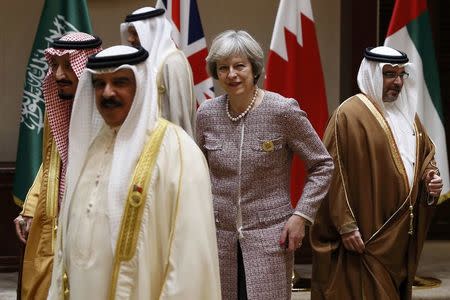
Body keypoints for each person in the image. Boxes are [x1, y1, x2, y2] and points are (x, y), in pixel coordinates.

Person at [47, 45, 221, 299]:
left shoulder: (177, 152)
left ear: (141, 86)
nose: (108, 93)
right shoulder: (91, 149)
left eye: (120, 82)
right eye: (99, 84)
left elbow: (190, 260)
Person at [196, 30, 334, 300]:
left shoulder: (282, 110)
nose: (232, 74)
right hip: (218, 238)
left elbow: (322, 165)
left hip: (270, 237)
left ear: (254, 68)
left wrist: (301, 216)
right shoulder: (207, 114)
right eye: (223, 68)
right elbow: (196, 173)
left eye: (239, 66)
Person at [310, 46, 443, 300]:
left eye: (402, 75)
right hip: (365, 235)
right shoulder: (348, 115)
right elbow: (331, 174)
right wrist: (346, 225)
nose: (397, 81)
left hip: (400, 234)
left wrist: (431, 178)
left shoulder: (409, 117)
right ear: (371, 74)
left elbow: (425, 156)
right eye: (389, 74)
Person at [13, 32, 102, 299]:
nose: (60, 75)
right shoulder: (58, 107)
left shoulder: (107, 112)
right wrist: (30, 208)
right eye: (55, 65)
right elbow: (52, 161)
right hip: (53, 218)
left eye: (69, 65)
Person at [120, 6, 197, 137]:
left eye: (135, 33)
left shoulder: (173, 62)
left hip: (168, 143)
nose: (130, 39)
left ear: (151, 32)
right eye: (130, 34)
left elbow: (179, 115)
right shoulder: (145, 63)